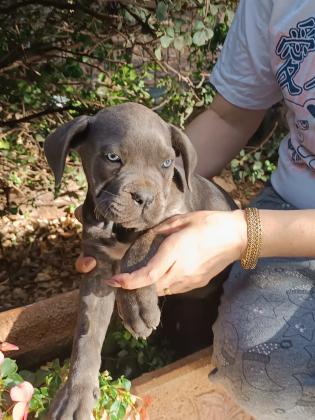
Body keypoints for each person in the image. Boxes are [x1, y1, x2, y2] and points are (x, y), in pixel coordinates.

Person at [76, 1, 315, 418]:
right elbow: (229, 116)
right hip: (294, 198)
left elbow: (245, 231)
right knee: (259, 366)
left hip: (275, 228)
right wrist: (149, 204)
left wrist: (244, 233)